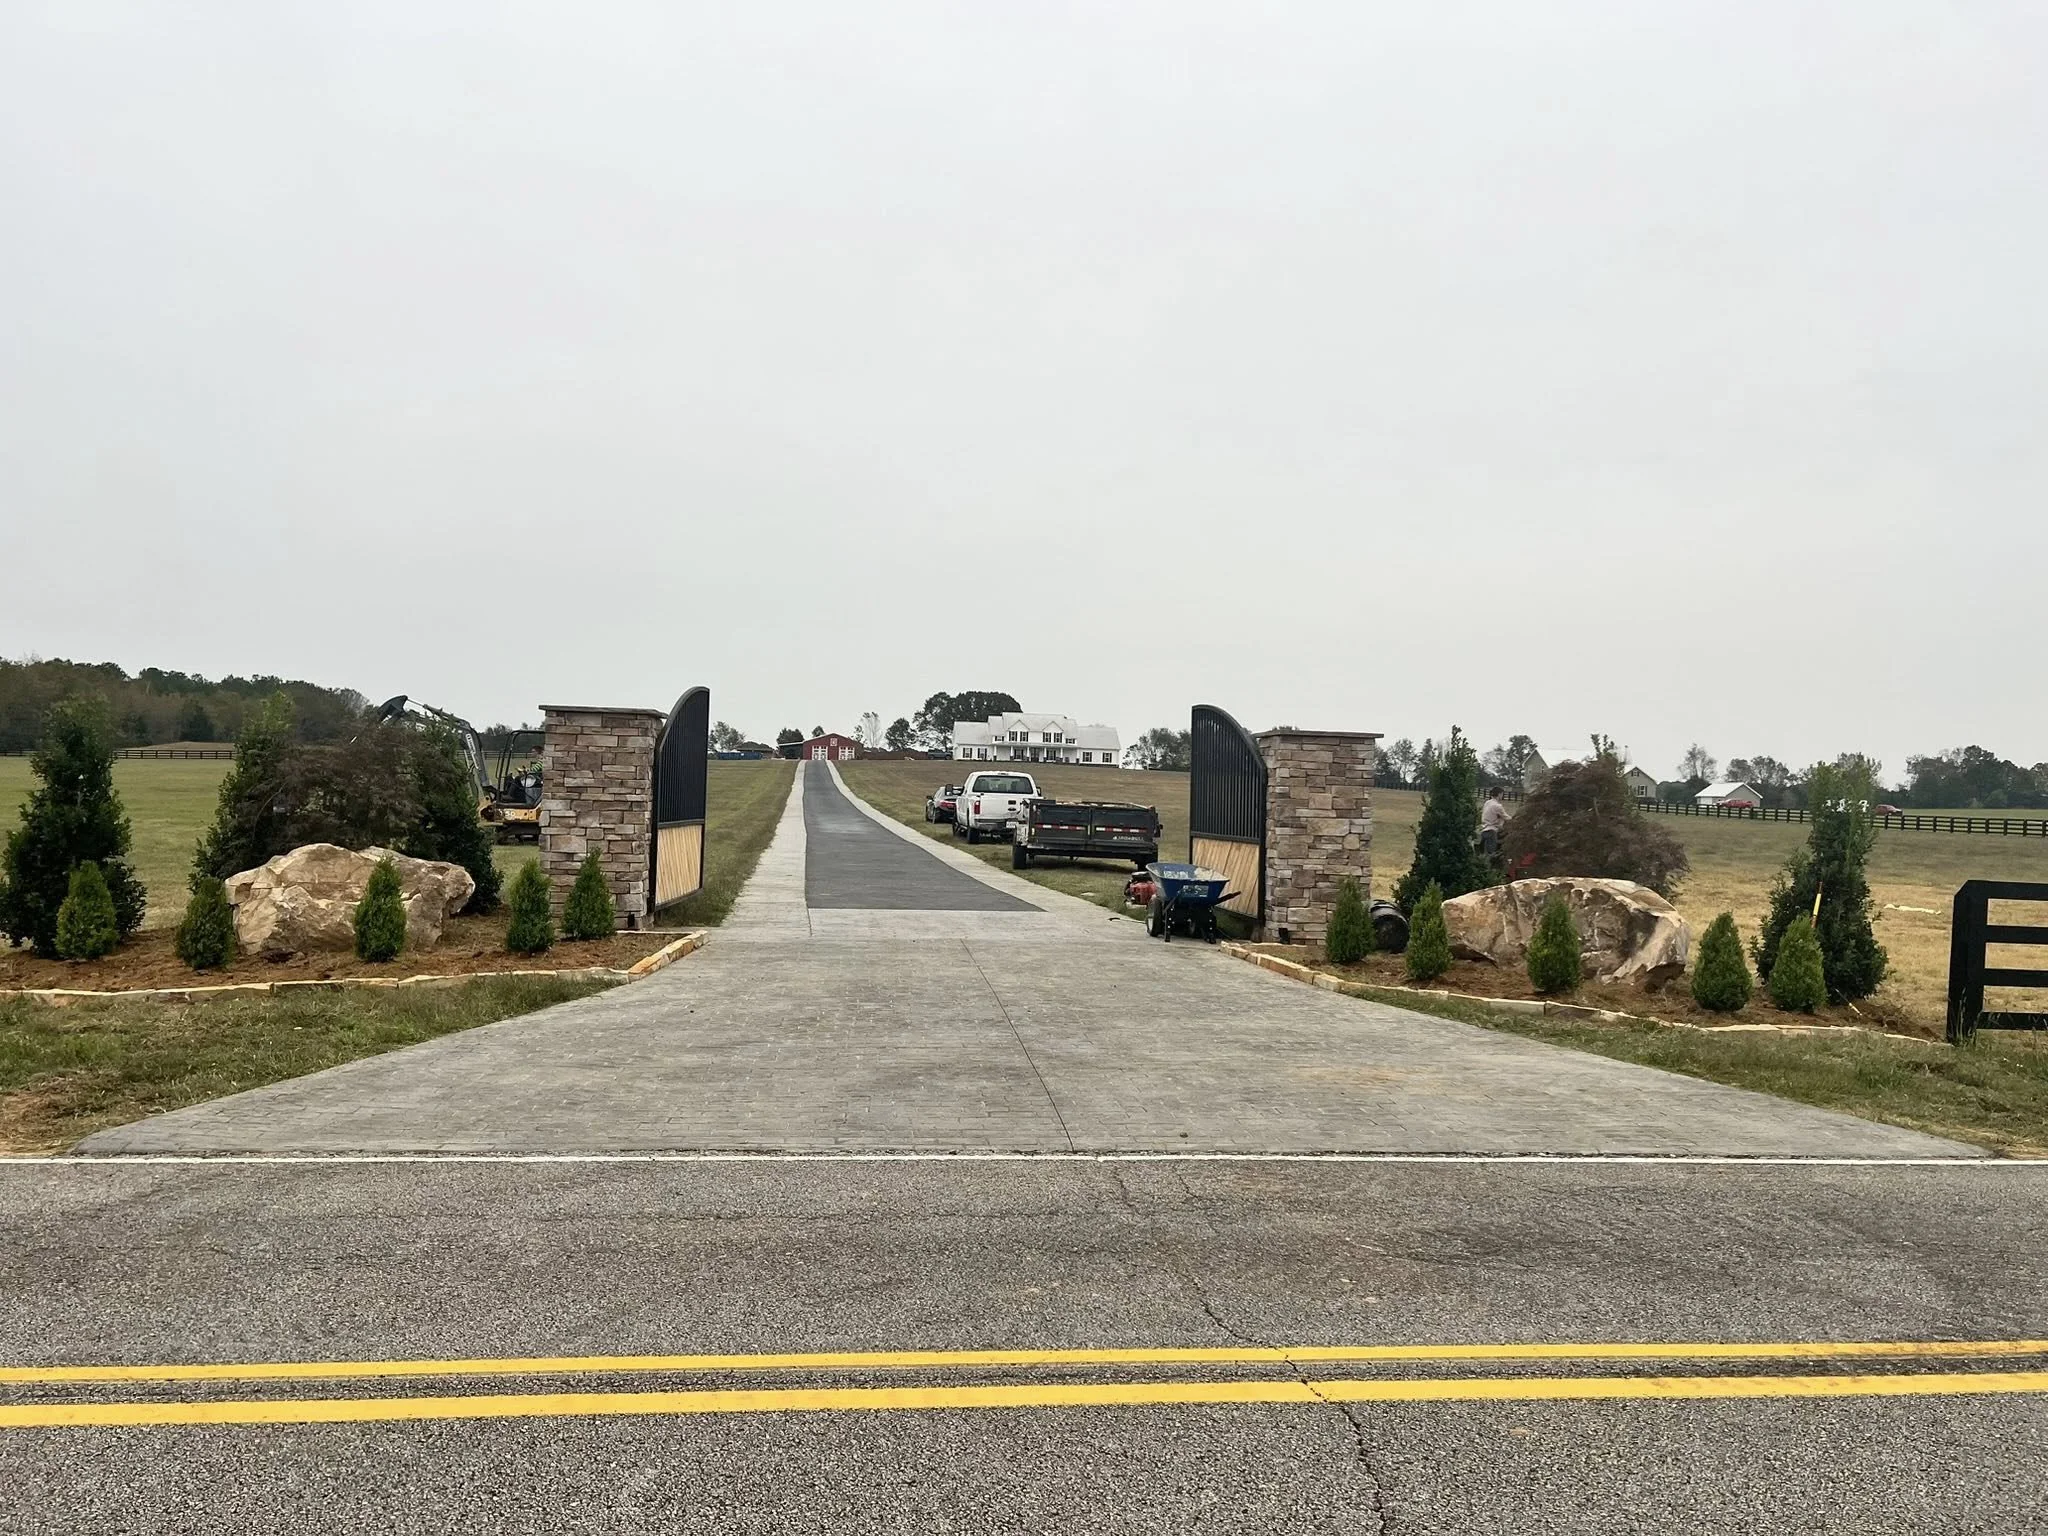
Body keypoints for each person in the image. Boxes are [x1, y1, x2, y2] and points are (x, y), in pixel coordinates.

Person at [1480, 785, 1508, 858]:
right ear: (1499, 794)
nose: (1502, 796)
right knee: (1491, 854)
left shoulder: (1487, 802)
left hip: (1484, 828)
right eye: (1502, 794)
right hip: (1492, 830)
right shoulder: (1497, 806)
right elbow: (1506, 817)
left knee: (1484, 854)